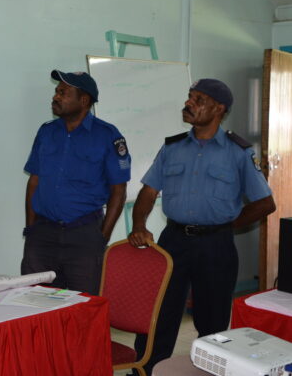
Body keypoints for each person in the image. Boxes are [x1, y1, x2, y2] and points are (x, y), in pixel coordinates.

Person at [128, 78, 276, 375]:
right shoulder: (172, 147)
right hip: (173, 241)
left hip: (216, 246)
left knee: (212, 320)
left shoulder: (237, 152)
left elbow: (265, 203)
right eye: (189, 97)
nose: (189, 104)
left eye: (198, 99)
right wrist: (139, 224)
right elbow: (148, 191)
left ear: (219, 108)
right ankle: (145, 371)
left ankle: (209, 371)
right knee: (159, 313)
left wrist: (226, 224)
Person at [21, 70, 130, 295]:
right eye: (56, 91)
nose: (56, 97)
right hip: (42, 234)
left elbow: (118, 192)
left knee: (83, 306)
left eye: (63, 92)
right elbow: (34, 182)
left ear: (83, 100)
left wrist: (102, 238)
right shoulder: (46, 132)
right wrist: (31, 228)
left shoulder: (108, 135)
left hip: (84, 235)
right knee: (34, 302)